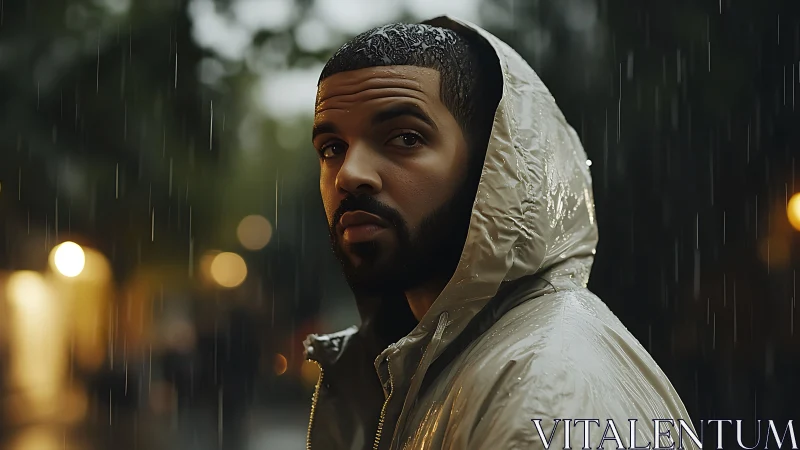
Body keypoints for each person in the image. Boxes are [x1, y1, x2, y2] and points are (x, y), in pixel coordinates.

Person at [304, 16, 697, 450]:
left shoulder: (547, 393)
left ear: (493, 164)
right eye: (332, 148)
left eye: (405, 138)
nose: (349, 175)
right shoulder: (432, 364)